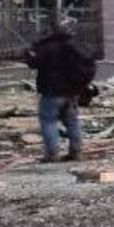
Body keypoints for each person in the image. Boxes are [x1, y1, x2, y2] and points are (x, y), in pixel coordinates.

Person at [24, 17, 93, 163]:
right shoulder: (75, 47)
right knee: (72, 121)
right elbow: (89, 64)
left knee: (48, 121)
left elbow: (33, 63)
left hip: (52, 92)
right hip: (71, 92)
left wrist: (29, 53)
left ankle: (52, 154)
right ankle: (77, 152)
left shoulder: (47, 47)